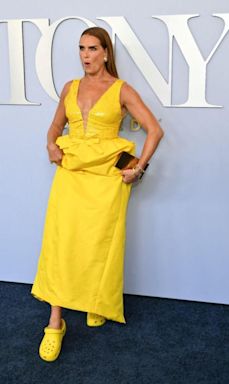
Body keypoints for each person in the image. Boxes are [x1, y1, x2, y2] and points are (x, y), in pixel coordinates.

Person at [32, 26, 164, 362]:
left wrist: (139, 167)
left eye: (92, 48)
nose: (85, 55)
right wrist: (50, 145)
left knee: (99, 242)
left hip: (106, 178)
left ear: (105, 52)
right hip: (71, 174)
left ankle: (95, 301)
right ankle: (55, 322)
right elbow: (54, 127)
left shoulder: (121, 89)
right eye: (81, 48)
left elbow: (154, 129)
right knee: (62, 243)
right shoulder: (70, 88)